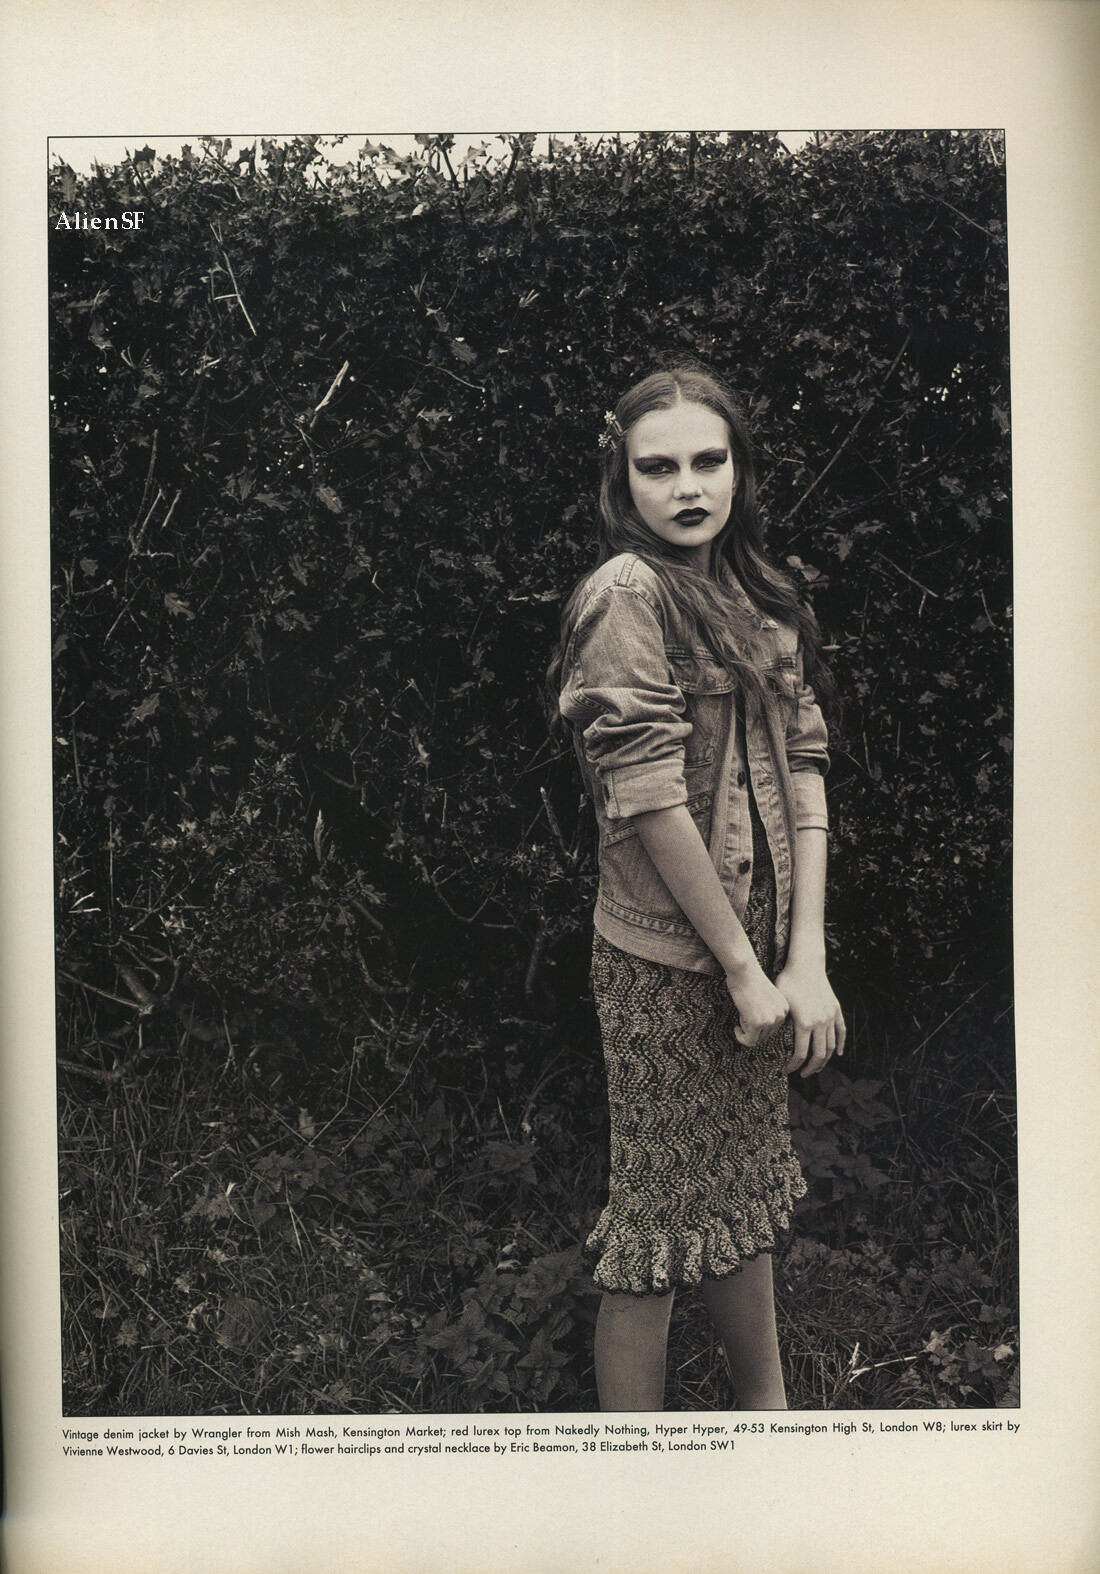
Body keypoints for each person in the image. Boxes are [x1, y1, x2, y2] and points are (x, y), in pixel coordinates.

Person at [547, 365, 845, 1412]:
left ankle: (768, 1420)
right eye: (657, 466)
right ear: (621, 480)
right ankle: (634, 1473)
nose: (687, 487)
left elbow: (803, 766)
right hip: (668, 961)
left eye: (707, 460)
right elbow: (647, 797)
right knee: (657, 1229)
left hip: (761, 950)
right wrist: (740, 970)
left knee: (740, 1197)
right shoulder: (626, 595)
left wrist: (801, 958)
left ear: (738, 468)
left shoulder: (760, 593)